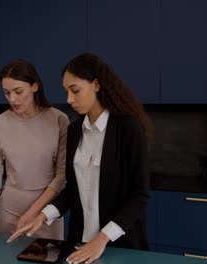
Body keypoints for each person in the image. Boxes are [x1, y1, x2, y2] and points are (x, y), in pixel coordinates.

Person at [8, 53, 152, 264]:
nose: (69, 99)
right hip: (78, 243)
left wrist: (101, 239)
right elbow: (72, 190)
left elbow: (139, 196)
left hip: (119, 245)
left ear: (96, 85)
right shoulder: (75, 130)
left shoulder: (129, 129)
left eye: (75, 90)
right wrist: (41, 216)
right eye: (67, 91)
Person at [0, 59, 69, 240]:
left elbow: (62, 176)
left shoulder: (59, 120)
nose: (12, 99)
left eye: (18, 91)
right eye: (7, 93)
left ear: (35, 86)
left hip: (46, 214)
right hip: (8, 211)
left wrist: (34, 212)